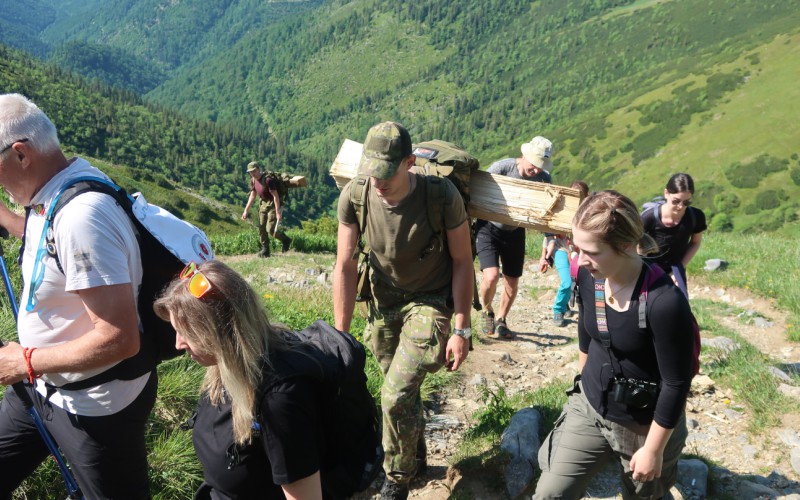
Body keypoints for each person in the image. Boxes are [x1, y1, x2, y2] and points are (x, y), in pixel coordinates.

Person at [0, 93, 155, 498]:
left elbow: (120, 338)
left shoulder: (82, 218)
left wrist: (24, 362)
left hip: (95, 406)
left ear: (21, 154)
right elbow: (53, 246)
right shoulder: (57, 188)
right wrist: (6, 218)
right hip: (41, 386)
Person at [333, 121, 472, 500]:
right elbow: (345, 263)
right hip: (383, 300)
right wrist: (339, 335)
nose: (378, 181)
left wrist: (461, 328)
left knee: (393, 395)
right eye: (372, 171)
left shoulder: (440, 196)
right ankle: (416, 457)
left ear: (409, 163)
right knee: (400, 389)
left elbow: (463, 260)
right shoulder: (356, 195)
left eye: (386, 172)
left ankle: (397, 479)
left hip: (431, 300)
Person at [533, 190, 694, 500]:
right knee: (550, 494)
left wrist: (653, 450)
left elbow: (676, 383)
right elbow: (586, 330)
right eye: (577, 248)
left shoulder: (664, 303)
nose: (580, 259)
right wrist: (584, 385)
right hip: (590, 405)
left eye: (591, 251)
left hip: (643, 425)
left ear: (626, 246)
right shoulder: (587, 274)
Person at [154, 259, 338, 499]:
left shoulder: (279, 401)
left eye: (187, 333)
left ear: (222, 332)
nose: (178, 344)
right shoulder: (226, 369)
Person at [475, 135, 553, 339]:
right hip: (489, 227)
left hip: (515, 230)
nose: (536, 170)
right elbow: (479, 190)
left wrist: (550, 239)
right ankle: (487, 311)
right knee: (491, 276)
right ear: (524, 155)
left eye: (540, 166)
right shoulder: (503, 167)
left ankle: (501, 320)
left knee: (512, 280)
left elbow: (548, 211)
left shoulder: (544, 178)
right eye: (534, 164)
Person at [641, 173, 707, 298]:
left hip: (676, 267)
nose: (681, 206)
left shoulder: (695, 216)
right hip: (648, 269)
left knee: (680, 305)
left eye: (686, 202)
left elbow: (695, 242)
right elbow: (635, 247)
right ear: (666, 193)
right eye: (676, 201)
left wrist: (678, 270)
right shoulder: (648, 218)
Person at [540, 180, 589, 327]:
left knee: (579, 281)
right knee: (567, 282)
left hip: (579, 250)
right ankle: (558, 310)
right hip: (560, 249)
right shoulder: (561, 207)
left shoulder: (588, 210)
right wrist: (544, 256)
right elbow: (548, 234)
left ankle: (568, 303)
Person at [241, 161, 292, 257]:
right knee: (261, 228)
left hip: (273, 204)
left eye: (254, 171)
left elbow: (276, 197)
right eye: (250, 172)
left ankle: (286, 240)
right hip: (263, 205)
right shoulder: (253, 180)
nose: (253, 173)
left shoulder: (268, 180)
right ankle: (265, 250)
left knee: (271, 229)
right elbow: (252, 196)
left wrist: (278, 212)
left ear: (258, 169)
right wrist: (246, 210)